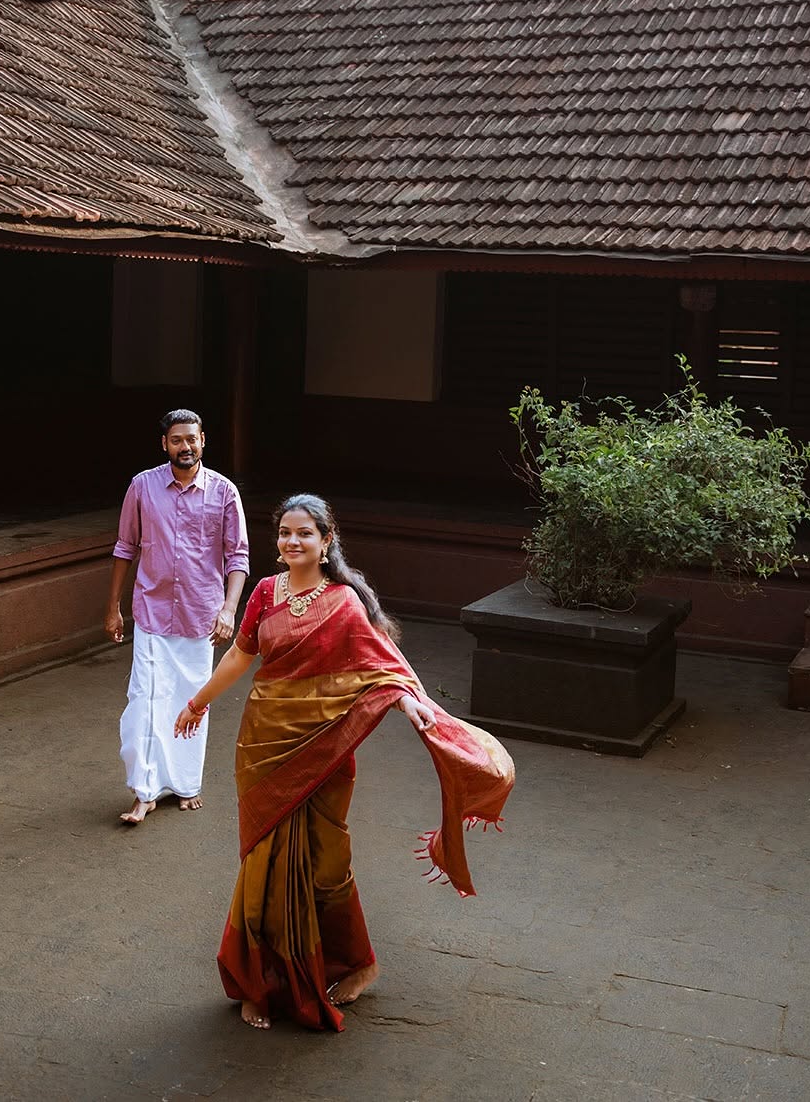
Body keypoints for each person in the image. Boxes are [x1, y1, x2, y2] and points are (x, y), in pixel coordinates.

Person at [174, 493, 515, 1032]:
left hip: (328, 752)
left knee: (328, 868)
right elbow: (241, 655)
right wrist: (197, 702)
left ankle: (360, 964)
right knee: (262, 866)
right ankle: (258, 983)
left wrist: (409, 704)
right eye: (285, 532)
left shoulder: (345, 603)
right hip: (264, 747)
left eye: (304, 533)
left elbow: (382, 666)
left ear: (326, 540)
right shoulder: (265, 591)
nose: (292, 542)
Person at [107, 410, 249, 824]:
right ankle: (145, 791)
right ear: (164, 445)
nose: (184, 446)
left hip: (200, 618)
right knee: (146, 702)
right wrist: (112, 606)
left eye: (191, 439)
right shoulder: (142, 486)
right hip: (151, 612)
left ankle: (186, 784)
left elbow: (237, 556)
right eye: (175, 440)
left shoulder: (223, 492)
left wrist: (228, 608)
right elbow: (124, 547)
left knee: (191, 703)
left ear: (203, 440)